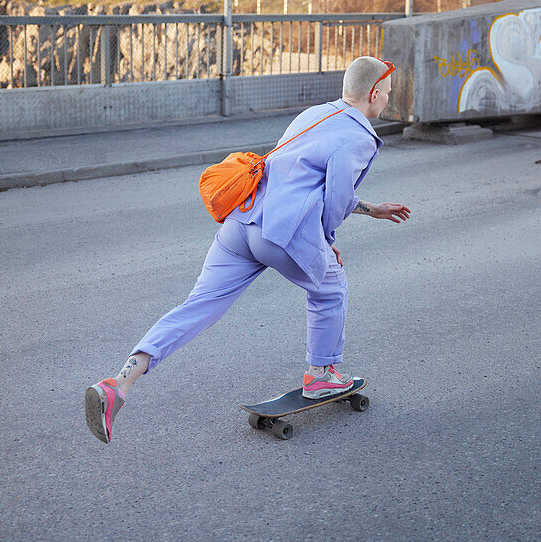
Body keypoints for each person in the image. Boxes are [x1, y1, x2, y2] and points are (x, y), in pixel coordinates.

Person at [85, 56, 411, 443]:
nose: (387, 101)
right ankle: (322, 376)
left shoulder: (315, 115)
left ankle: (119, 383)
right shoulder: (359, 136)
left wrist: (370, 208)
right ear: (373, 93)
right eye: (387, 94)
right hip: (281, 235)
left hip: (241, 223)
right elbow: (334, 200)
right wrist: (329, 243)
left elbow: (294, 174)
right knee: (331, 286)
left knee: (197, 306)